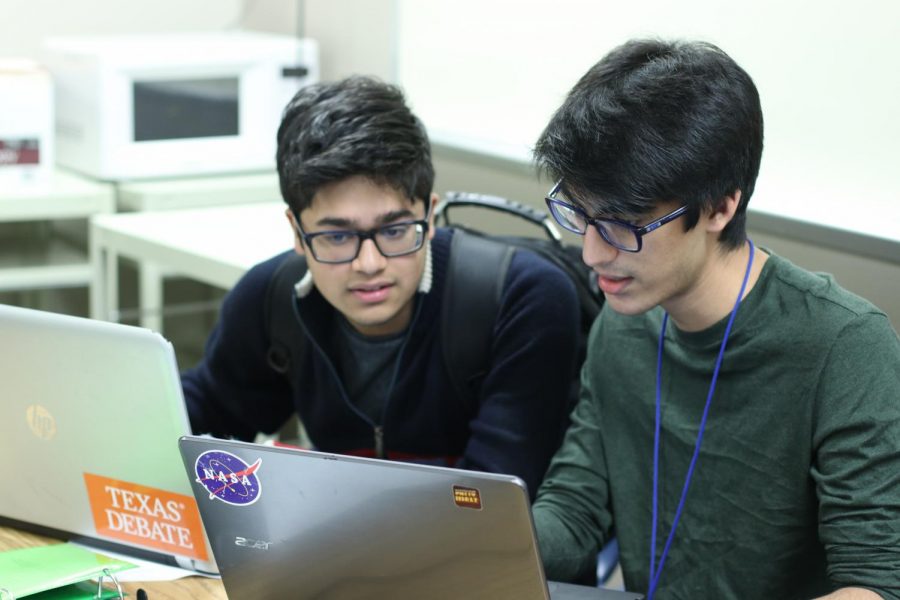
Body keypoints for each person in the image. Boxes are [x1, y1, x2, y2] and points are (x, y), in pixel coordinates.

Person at [530, 39, 900, 599]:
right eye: (579, 215)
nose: (592, 253)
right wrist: (472, 544)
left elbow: (874, 583)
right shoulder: (625, 320)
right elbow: (578, 508)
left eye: (622, 226)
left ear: (720, 207)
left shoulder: (845, 346)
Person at [180, 76, 580, 498]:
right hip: (343, 547)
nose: (369, 265)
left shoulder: (519, 299)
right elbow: (203, 414)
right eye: (337, 237)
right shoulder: (272, 297)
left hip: (485, 554)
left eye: (394, 231)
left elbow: (492, 502)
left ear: (430, 214)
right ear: (297, 233)